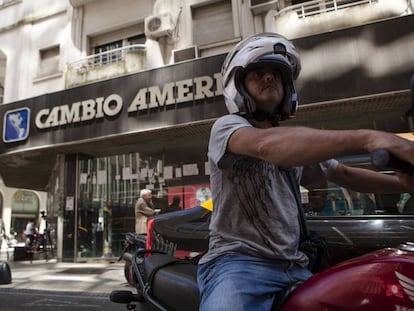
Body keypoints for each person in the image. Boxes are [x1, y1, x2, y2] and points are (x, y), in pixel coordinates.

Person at [197, 32, 414, 311]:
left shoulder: (295, 145)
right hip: (238, 264)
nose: (269, 78)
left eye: (276, 74)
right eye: (259, 73)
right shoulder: (227, 127)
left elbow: (344, 175)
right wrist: (369, 138)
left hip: (294, 265)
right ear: (238, 86)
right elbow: (265, 146)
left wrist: (404, 184)